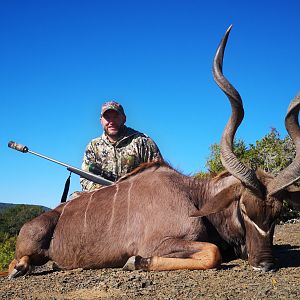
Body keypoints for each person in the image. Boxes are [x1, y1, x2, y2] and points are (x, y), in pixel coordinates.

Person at [80, 100, 163, 191]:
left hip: (136, 197)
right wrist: (105, 190)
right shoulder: (93, 146)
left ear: (124, 119)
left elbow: (159, 174)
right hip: (103, 198)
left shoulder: (142, 142)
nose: (111, 122)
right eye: (107, 118)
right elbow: (85, 178)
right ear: (101, 121)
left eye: (115, 117)